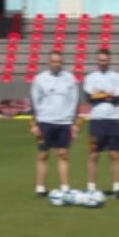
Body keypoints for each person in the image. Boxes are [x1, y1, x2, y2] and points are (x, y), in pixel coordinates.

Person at [30, 51, 80, 196]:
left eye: (58, 61)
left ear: (62, 62)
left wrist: (74, 123)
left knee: (63, 154)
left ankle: (65, 187)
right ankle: (40, 187)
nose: (56, 64)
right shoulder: (40, 79)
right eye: (53, 61)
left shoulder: (70, 78)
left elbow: (75, 100)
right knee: (43, 155)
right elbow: (34, 101)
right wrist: (34, 124)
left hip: (64, 121)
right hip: (45, 121)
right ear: (49, 62)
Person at [82, 48, 119, 197]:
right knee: (94, 154)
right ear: (97, 60)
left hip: (113, 119)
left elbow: (118, 98)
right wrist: (107, 95)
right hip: (96, 120)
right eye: (100, 60)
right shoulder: (90, 77)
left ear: (109, 61)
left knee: (114, 155)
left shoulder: (117, 77)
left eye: (105, 60)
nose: (103, 63)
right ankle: (91, 187)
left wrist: (99, 94)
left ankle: (117, 187)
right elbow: (89, 97)